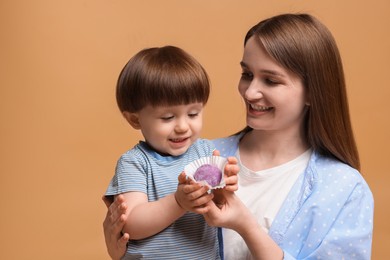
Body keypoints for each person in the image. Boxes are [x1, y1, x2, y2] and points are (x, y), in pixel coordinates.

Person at [103, 13, 374, 259]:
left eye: (271, 80)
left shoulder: (344, 189)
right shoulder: (203, 158)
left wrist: (246, 225)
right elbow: (142, 233)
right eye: (247, 74)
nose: (250, 92)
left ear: (314, 92)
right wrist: (121, 246)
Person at [104, 45, 238, 259]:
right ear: (135, 119)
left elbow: (220, 208)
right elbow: (131, 224)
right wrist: (178, 202)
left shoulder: (205, 152)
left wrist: (223, 190)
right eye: (168, 118)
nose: (183, 126)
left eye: (193, 114)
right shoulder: (135, 162)